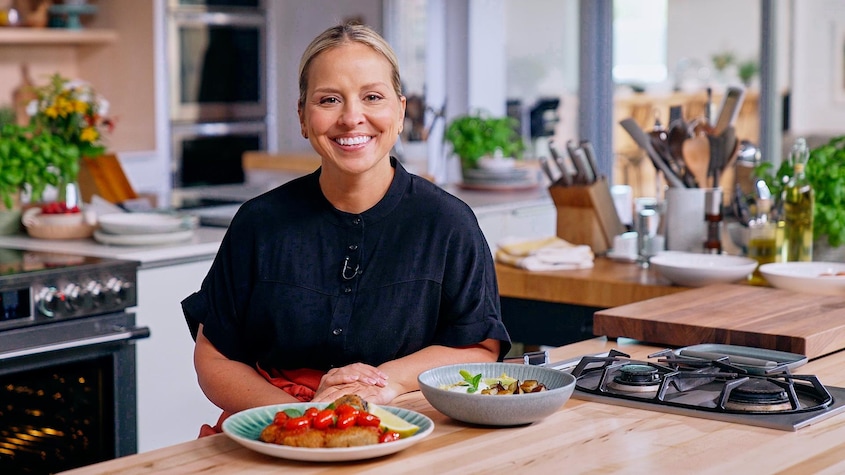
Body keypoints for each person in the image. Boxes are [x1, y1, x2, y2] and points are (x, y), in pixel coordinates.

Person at [182, 22, 511, 434]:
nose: (352, 118)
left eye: (372, 97)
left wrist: (383, 383)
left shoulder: (448, 223)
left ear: (401, 111)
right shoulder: (259, 223)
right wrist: (300, 417)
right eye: (329, 100)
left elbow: (480, 348)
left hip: (404, 427)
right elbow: (214, 357)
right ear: (302, 116)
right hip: (273, 430)